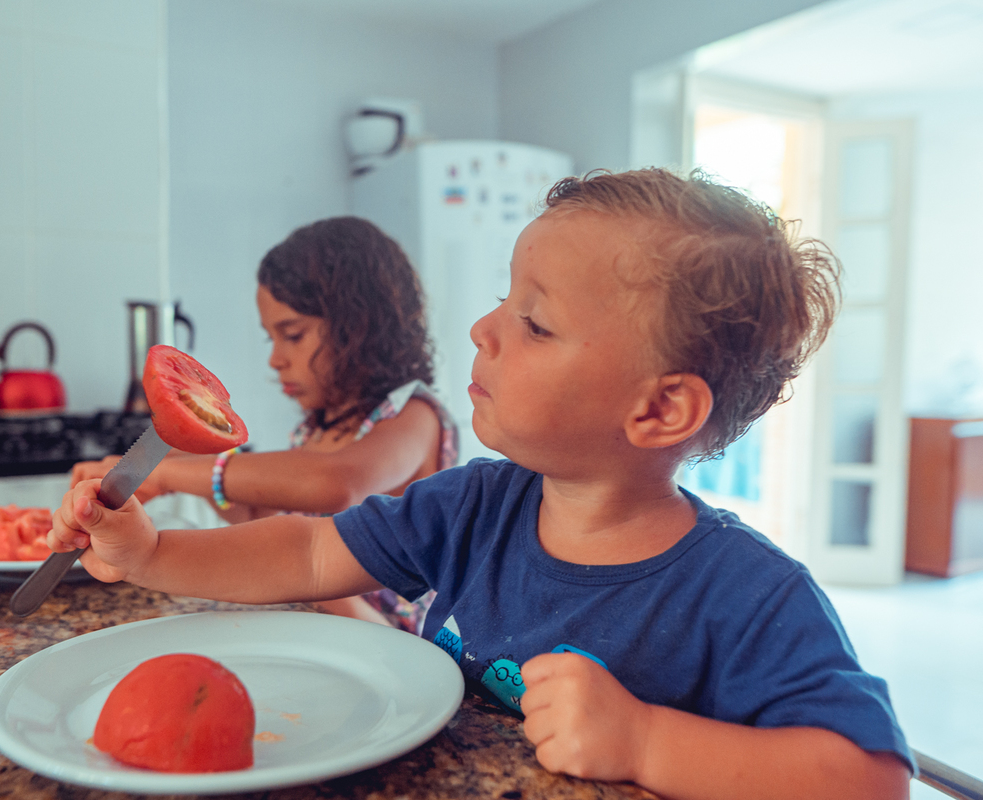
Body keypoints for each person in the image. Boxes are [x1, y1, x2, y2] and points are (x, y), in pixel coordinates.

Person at [50, 169, 913, 799]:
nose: (482, 328)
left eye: (533, 322)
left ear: (660, 410)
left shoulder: (746, 594)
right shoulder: (474, 504)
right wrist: (152, 552)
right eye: (505, 299)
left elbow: (870, 778)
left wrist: (646, 740)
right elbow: (311, 552)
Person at [71, 216, 457, 633]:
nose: (275, 358)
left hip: (393, 640)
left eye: (292, 335)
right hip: (315, 631)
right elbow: (261, 518)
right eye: (270, 338)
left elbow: (335, 482)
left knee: (322, 583)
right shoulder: (315, 431)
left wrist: (166, 472)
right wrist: (182, 469)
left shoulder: (414, 416)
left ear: (362, 328)